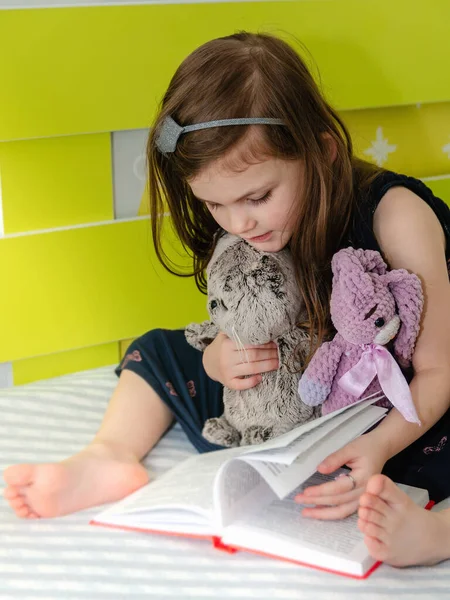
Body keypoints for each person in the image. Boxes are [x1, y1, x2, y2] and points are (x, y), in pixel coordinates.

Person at [3, 32, 450, 567]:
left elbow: (438, 371)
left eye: (257, 197)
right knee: (162, 351)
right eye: (215, 204)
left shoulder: (396, 215)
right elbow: (246, 319)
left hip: (414, 401)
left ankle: (437, 533)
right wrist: (219, 358)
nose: (239, 223)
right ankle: (111, 454)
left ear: (322, 152)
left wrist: (380, 446)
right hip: (309, 398)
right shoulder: (251, 225)